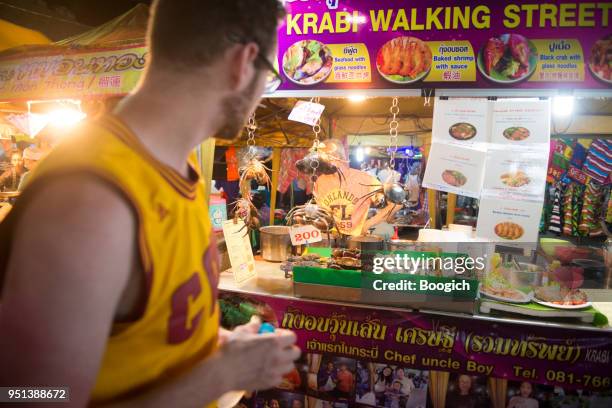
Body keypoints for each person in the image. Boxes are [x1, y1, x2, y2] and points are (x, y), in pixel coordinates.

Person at [0, 1, 300, 407]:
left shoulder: (182, 169)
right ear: (243, 62)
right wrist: (220, 376)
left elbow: (152, 332)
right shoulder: (91, 202)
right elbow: (28, 398)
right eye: (268, 78)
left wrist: (223, 345)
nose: (261, 99)